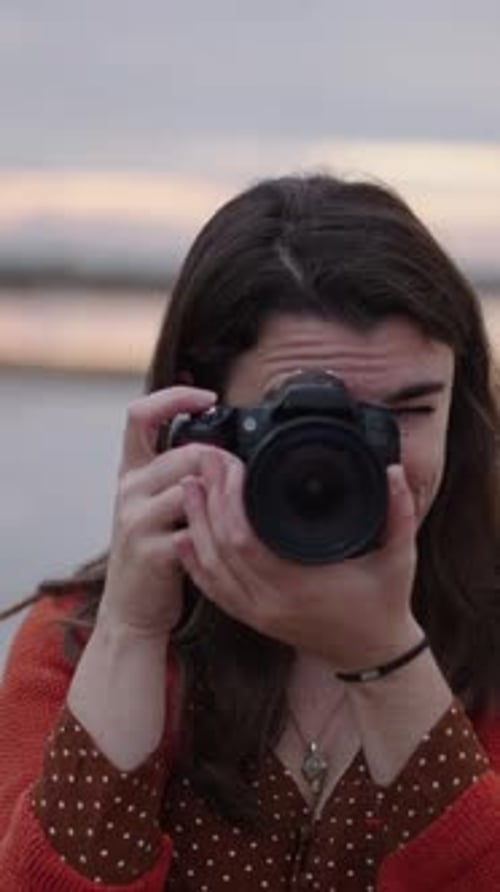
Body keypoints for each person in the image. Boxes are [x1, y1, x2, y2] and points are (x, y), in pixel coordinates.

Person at [1, 173, 500, 892]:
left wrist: (387, 660)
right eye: (306, 419)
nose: (358, 458)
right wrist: (134, 632)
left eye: (408, 410)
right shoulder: (75, 646)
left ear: (463, 406)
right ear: (198, 411)